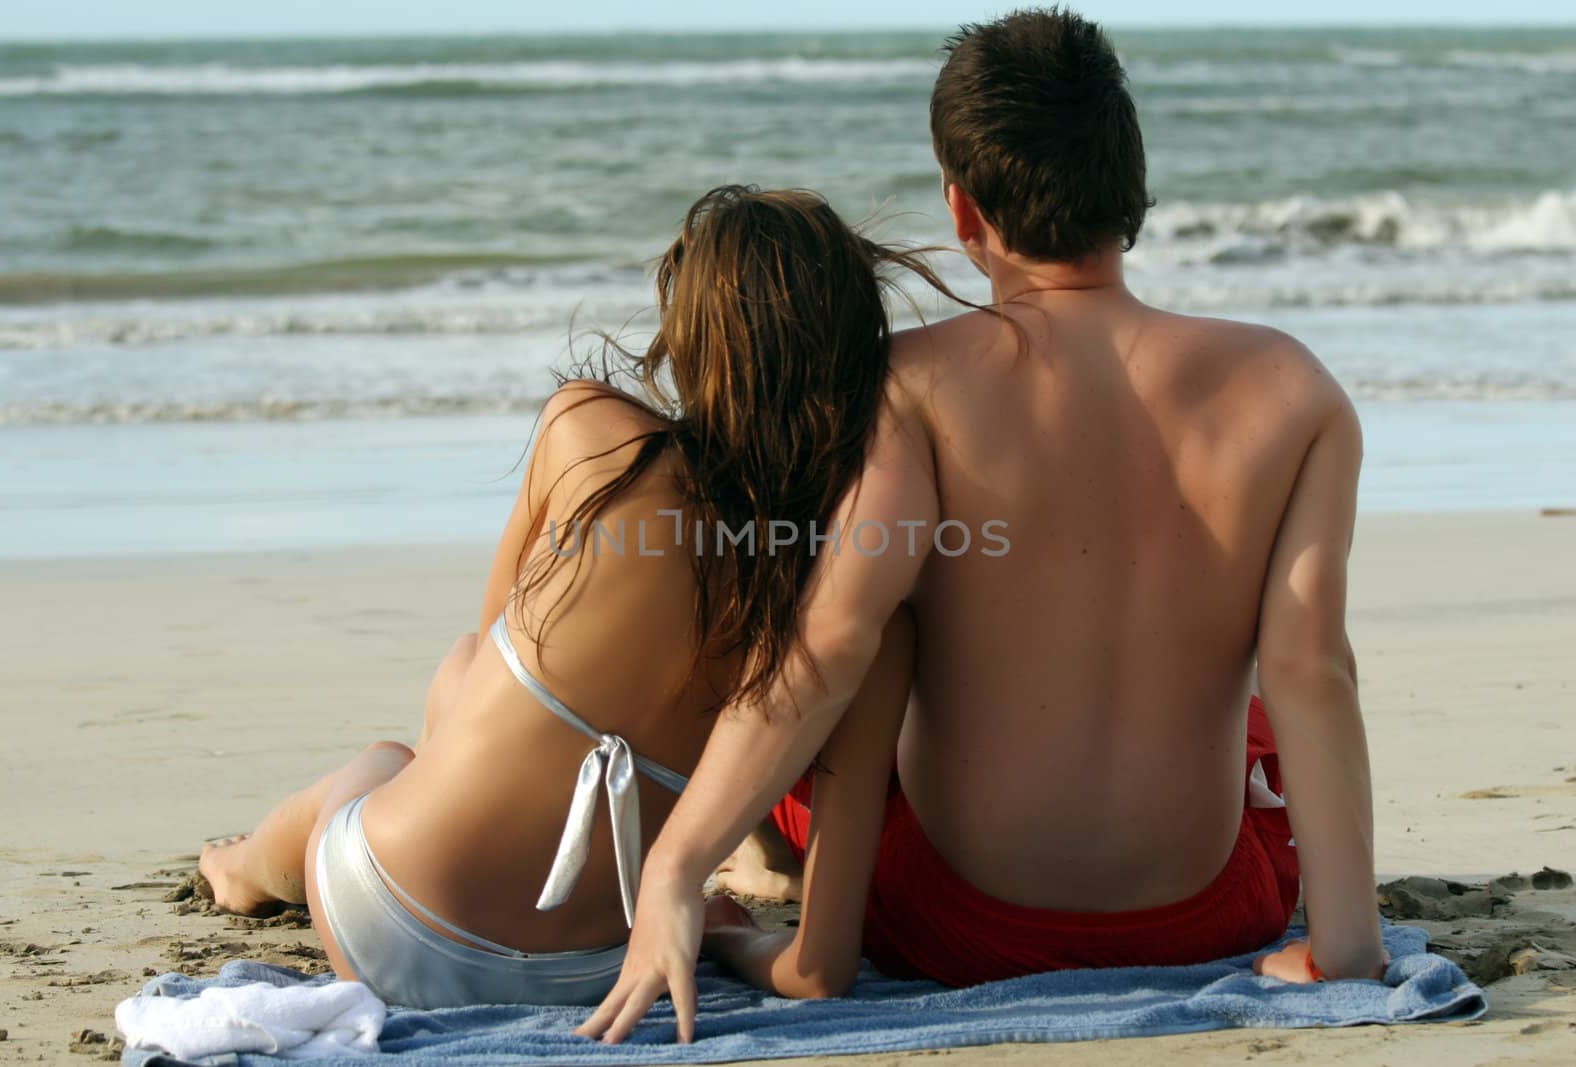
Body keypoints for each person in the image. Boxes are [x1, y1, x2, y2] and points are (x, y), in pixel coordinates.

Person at [579, 8, 1385, 1044]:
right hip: (1202, 910)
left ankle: (756, 861)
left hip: (955, 920)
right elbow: (1317, 666)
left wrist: (676, 865)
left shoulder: (915, 387)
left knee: (847, 681)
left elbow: (829, 647)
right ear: (1130, 188)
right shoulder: (1292, 390)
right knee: (1267, 701)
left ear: (963, 211)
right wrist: (1345, 951)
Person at [196, 185, 949, 1009]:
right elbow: (818, 971)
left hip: (390, 921)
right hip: (591, 974)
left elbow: (483, 662)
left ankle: (240, 869)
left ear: (689, 341)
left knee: (394, 755)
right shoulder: (866, 626)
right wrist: (726, 926)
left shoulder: (590, 434)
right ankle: (753, 849)